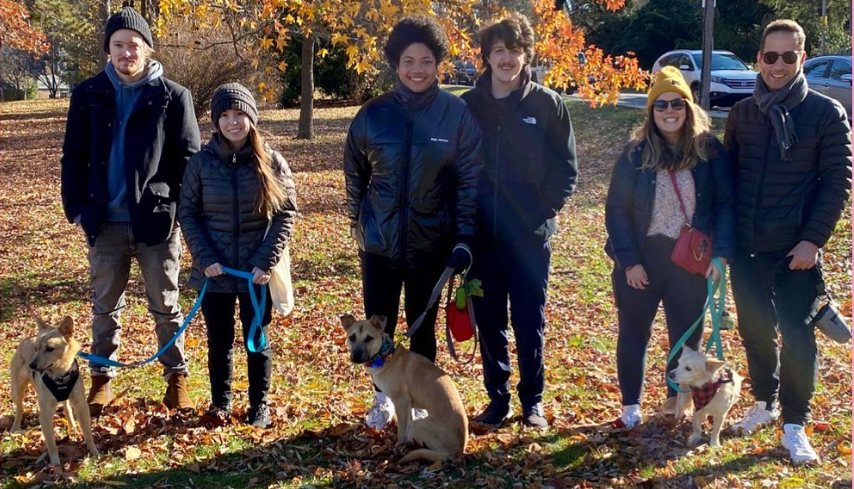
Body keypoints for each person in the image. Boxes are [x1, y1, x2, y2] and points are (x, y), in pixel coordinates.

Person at [343, 16, 483, 430]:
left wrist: (463, 239)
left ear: (437, 62)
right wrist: (359, 222)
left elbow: (469, 182)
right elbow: (355, 173)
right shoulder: (373, 114)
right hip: (380, 246)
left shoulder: (455, 114)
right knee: (375, 328)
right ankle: (382, 398)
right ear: (396, 64)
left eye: (425, 60)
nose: (417, 69)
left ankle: (421, 402)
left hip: (431, 245)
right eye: (408, 60)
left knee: (422, 333)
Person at [60, 7, 201, 417]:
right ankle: (102, 379)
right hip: (104, 221)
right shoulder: (87, 94)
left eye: (133, 45)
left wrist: (175, 208)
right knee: (105, 305)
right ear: (108, 50)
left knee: (165, 305)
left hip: (155, 221)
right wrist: (76, 209)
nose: (126, 53)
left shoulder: (173, 96)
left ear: (147, 49)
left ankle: (177, 378)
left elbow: (187, 159)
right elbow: (73, 157)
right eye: (118, 45)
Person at [724, 19, 851, 465]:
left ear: (802, 57)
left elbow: (838, 183)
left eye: (788, 56)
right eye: (770, 56)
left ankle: (794, 424)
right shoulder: (742, 113)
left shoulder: (825, 113)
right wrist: (726, 241)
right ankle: (765, 403)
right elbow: (729, 179)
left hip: (795, 251)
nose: (777, 66)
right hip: (747, 247)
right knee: (755, 331)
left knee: (798, 339)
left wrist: (813, 241)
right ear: (759, 57)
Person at [461, 13, 577, 429]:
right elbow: (454, 167)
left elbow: (566, 170)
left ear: (526, 55)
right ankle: (498, 398)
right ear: (487, 57)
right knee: (489, 323)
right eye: (498, 50)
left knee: (530, 322)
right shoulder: (467, 106)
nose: (506, 58)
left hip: (529, 239)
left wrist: (539, 214)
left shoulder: (547, 104)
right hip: (481, 240)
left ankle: (534, 402)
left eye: (514, 50)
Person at [604, 66, 736, 429]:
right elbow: (616, 209)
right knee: (634, 332)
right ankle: (630, 404)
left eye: (676, 102)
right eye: (660, 104)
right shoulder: (635, 154)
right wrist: (629, 262)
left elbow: (726, 203)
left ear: (688, 106)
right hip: (642, 257)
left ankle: (673, 404)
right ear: (651, 111)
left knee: (686, 338)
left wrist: (721, 255)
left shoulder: (709, 150)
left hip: (690, 261)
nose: (668, 110)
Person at [179, 83, 297, 428]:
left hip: (255, 272)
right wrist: (204, 258)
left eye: (239, 114)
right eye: (225, 115)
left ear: (251, 118)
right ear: (216, 121)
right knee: (219, 341)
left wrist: (265, 260)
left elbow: (285, 214)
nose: (233, 122)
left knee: (256, 339)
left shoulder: (272, 161)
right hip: (215, 272)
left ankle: (259, 404)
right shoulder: (200, 163)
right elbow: (188, 214)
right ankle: (221, 403)